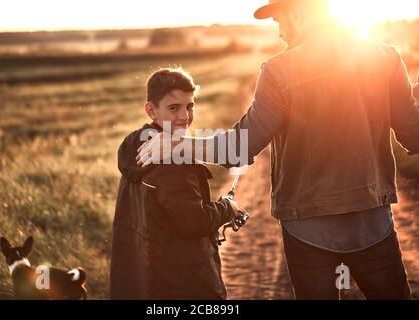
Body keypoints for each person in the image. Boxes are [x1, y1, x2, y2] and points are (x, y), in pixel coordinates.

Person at [137, 0, 419, 299]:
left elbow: (241, 145)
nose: (280, 31)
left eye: (279, 20)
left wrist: (179, 144)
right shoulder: (386, 58)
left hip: (308, 232)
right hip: (373, 224)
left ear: (297, 13)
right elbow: (413, 136)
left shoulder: (278, 70)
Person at [110, 67, 246, 300]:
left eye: (190, 106)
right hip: (183, 283)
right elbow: (195, 221)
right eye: (174, 108)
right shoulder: (172, 162)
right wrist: (228, 207)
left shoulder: (136, 146)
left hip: (145, 279)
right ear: (151, 110)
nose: (185, 116)